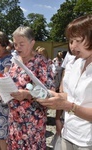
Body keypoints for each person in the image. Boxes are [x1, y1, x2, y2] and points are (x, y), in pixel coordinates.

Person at [37, 14, 92, 150]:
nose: (73, 46)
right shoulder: (76, 63)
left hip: (87, 141)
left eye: (78, 40)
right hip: (68, 133)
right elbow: (70, 96)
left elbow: (71, 104)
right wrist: (52, 95)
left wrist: (68, 106)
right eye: (71, 41)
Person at [7, 26, 55, 149]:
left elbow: (49, 93)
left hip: (32, 121)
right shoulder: (15, 61)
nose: (17, 48)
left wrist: (27, 94)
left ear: (32, 42)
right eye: (15, 44)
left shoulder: (42, 63)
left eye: (21, 44)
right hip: (14, 119)